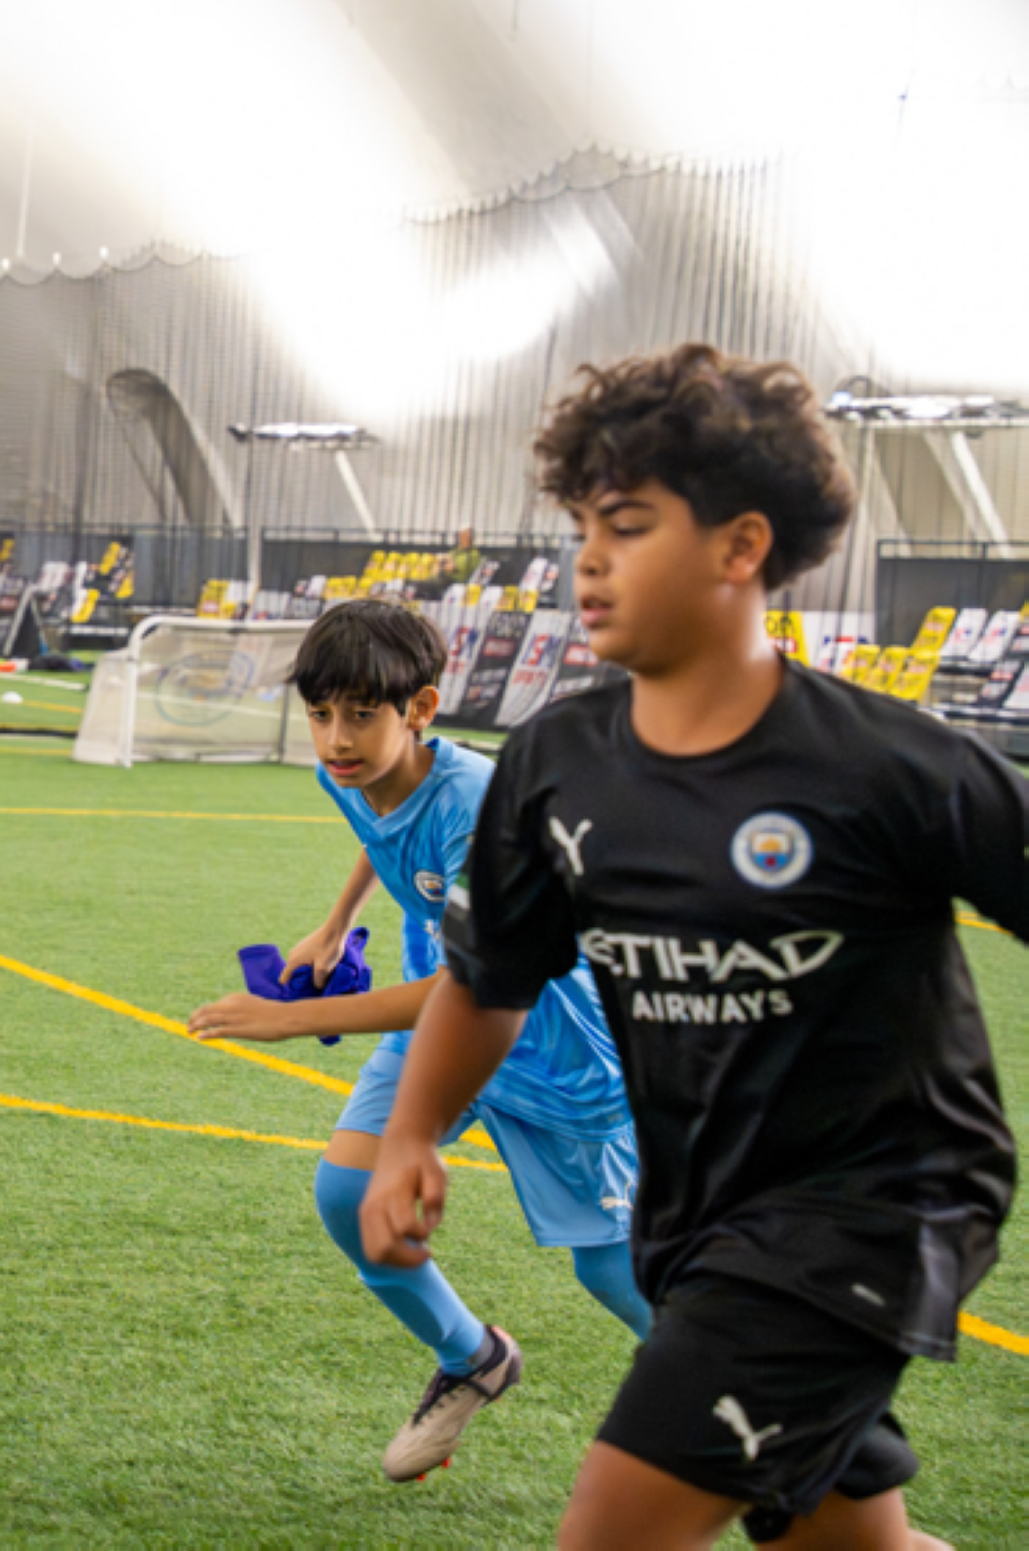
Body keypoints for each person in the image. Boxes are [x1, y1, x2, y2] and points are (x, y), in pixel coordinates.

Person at [361, 344, 1023, 1550]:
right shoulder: (553, 768)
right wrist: (408, 1132)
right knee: (848, 1544)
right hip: (700, 1215)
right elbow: (488, 977)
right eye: (580, 526)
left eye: (625, 524)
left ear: (740, 547)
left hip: (881, 1204)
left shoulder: (888, 768)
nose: (588, 560)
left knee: (609, 1530)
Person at [188, 598, 645, 1482]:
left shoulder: (480, 810)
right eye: (321, 714)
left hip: (554, 1047)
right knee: (350, 1196)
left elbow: (476, 982)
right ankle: (475, 1357)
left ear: (422, 710)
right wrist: (335, 923)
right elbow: (382, 829)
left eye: (361, 713)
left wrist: (290, 1016)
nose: (335, 739)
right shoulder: (349, 770)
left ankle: (775, 1435)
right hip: (441, 1033)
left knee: (614, 1275)